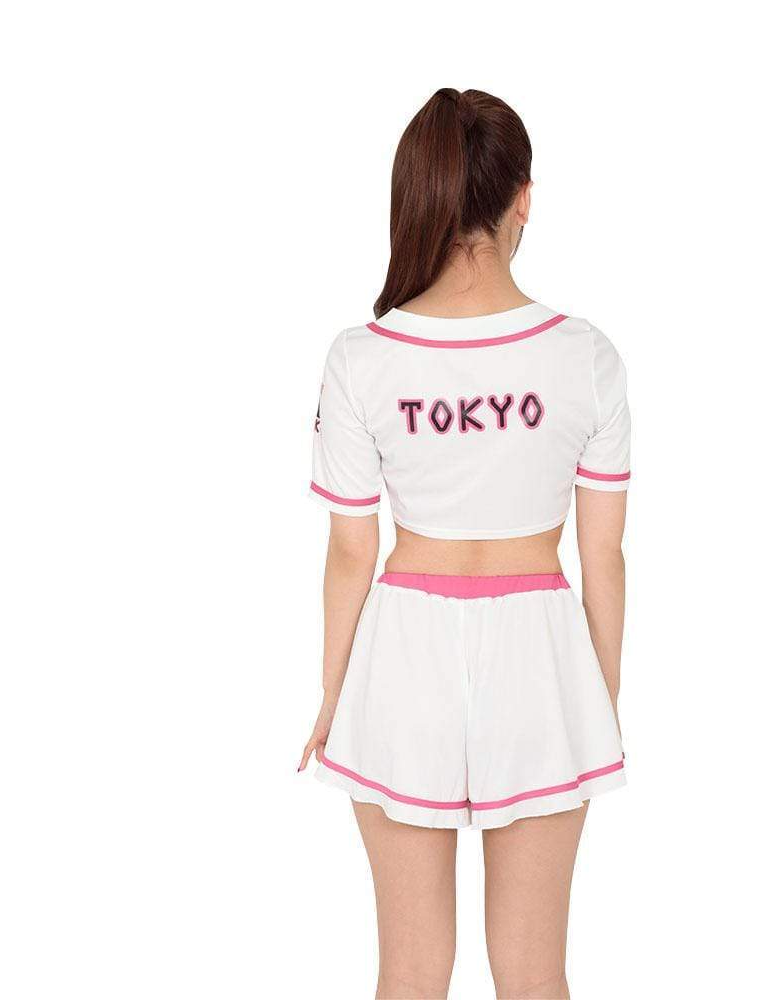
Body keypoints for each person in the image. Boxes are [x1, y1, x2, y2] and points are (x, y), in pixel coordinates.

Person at [299, 88, 631, 1000]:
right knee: (534, 975)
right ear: (523, 197)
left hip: (403, 657)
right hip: (541, 656)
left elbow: (351, 552)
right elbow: (603, 558)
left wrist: (331, 696)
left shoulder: (362, 357)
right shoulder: (585, 356)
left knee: (410, 973)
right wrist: (598, 698)